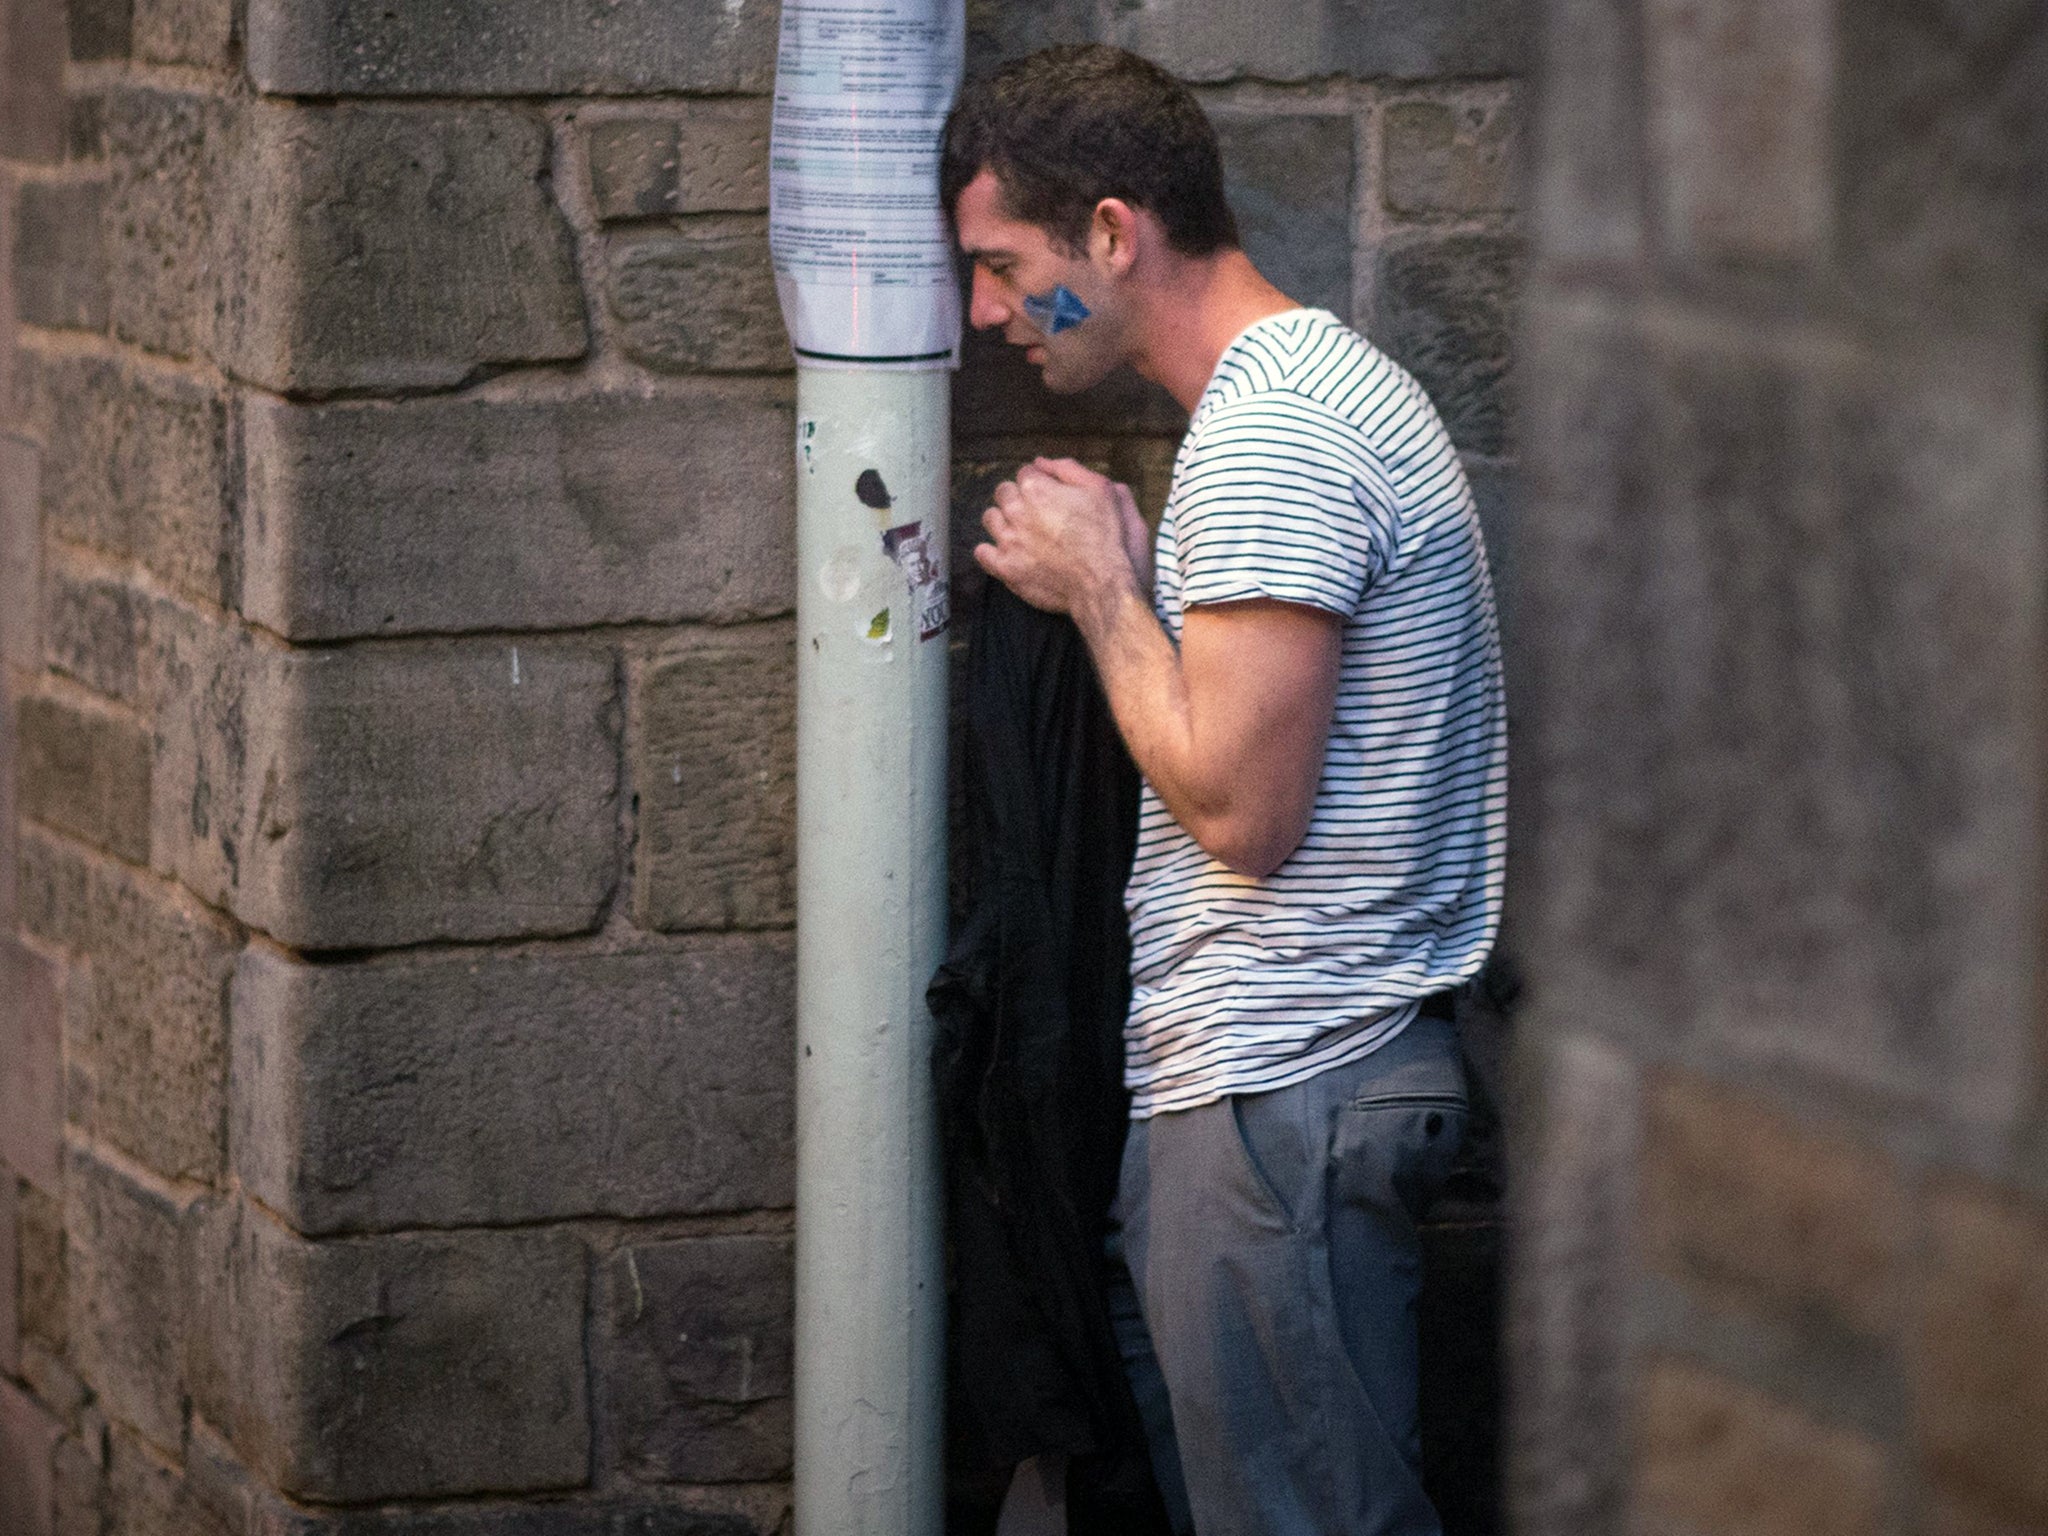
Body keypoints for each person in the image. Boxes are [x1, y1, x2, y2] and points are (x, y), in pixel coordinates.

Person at [940, 44, 1507, 1536]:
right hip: (1275, 1096)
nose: (988, 312)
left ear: (1112, 234)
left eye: (1003, 267)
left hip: (1284, 1092)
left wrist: (1104, 589)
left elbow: (1243, 814)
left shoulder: (1274, 432)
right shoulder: (1292, 404)